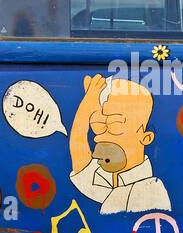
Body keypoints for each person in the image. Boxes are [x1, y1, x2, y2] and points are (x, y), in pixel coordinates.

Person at [68, 74, 170, 214]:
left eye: (115, 125)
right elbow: (79, 159)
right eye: (98, 125)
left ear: (145, 138)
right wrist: (86, 108)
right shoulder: (104, 177)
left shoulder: (151, 192)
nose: (101, 137)